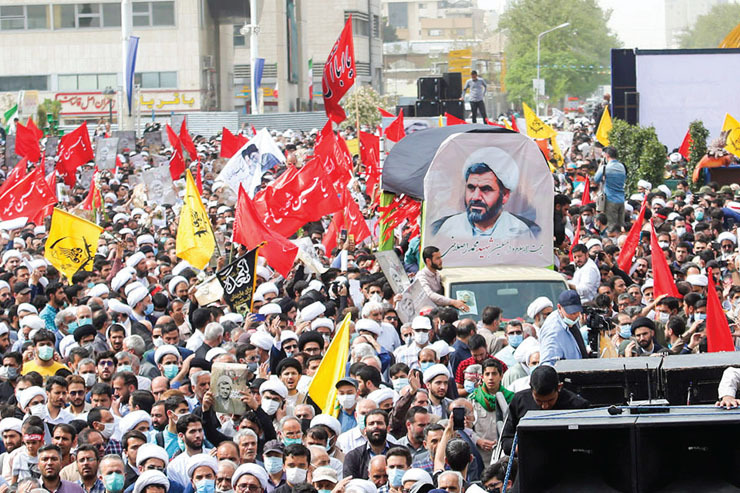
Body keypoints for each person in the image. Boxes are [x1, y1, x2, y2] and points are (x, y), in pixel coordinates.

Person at [432, 148, 535, 240]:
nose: (476, 197)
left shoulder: (521, 232)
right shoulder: (447, 228)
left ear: (504, 195)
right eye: (471, 188)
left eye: (486, 189)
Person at [500, 365, 589, 455]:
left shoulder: (577, 406)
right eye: (538, 401)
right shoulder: (519, 401)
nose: (544, 406)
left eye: (550, 400)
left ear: (559, 387)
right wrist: (521, 448)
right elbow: (506, 440)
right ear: (531, 389)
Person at [539, 290, 589, 366]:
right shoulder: (553, 331)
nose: (575, 315)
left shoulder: (571, 321)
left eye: (577, 311)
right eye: (571, 312)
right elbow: (548, 364)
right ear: (559, 308)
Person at [416, 247, 469, 311]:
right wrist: (453, 302)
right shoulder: (421, 277)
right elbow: (430, 295)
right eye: (437, 258)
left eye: (440, 257)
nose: (441, 261)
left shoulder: (438, 274)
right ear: (428, 261)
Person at [593, 146, 626, 228]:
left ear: (607, 155)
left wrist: (600, 167)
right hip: (621, 199)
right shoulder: (622, 166)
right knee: (621, 226)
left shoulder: (605, 168)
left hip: (610, 200)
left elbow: (596, 179)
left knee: (611, 226)